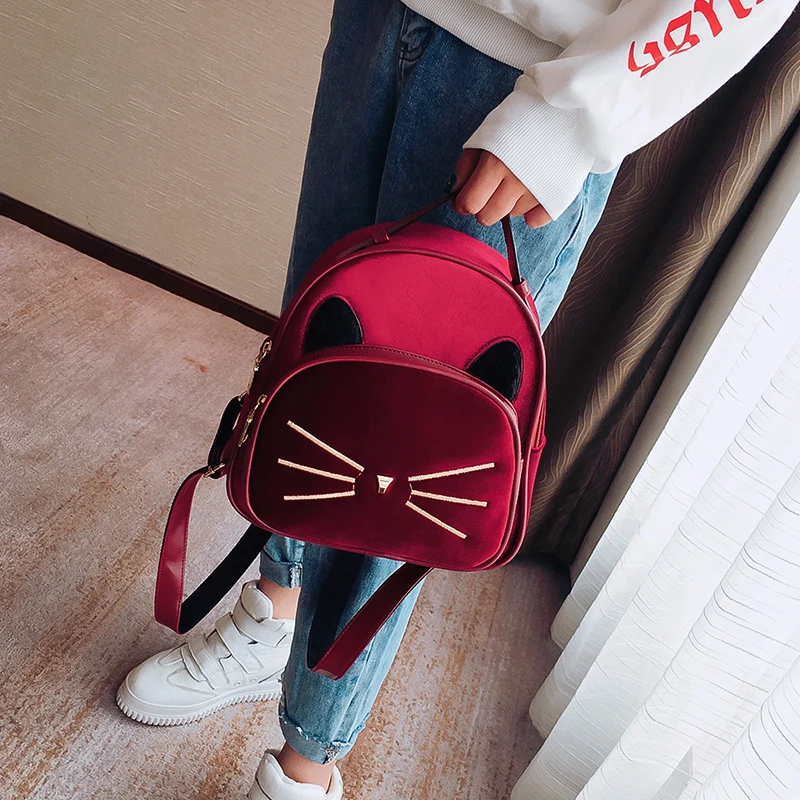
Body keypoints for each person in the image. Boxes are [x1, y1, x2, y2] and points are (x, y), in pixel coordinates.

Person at [116, 1, 795, 797]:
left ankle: (306, 765)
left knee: (406, 463)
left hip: (532, 78)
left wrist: (571, 116)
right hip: (381, 19)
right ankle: (275, 610)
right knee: (309, 375)